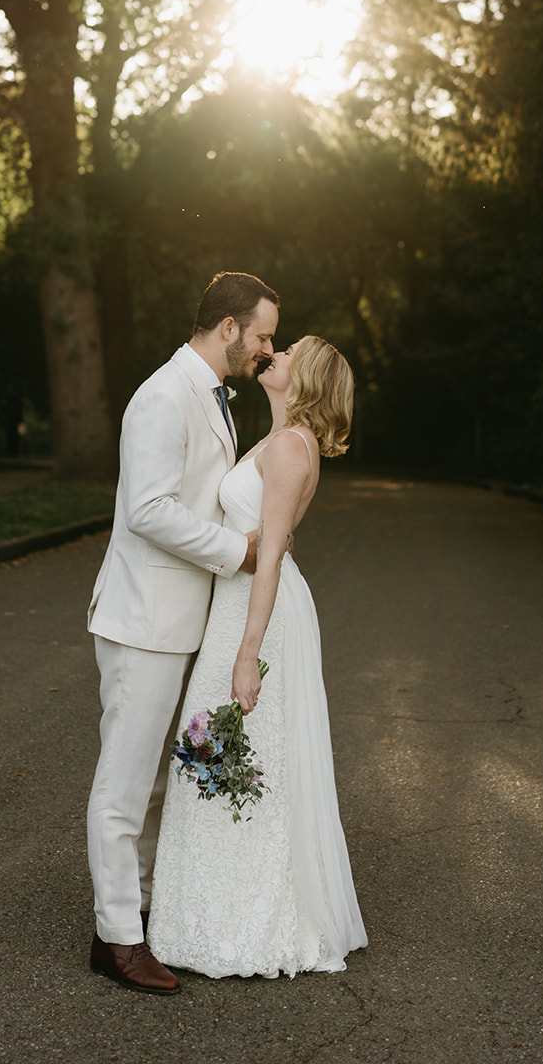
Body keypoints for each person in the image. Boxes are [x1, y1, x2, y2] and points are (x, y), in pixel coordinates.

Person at [147, 335, 367, 979]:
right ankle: (202, 910)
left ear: (308, 378)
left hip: (258, 620)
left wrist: (247, 655)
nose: (279, 351)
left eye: (291, 350)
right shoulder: (274, 441)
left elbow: (269, 556)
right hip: (236, 611)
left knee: (233, 756)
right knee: (211, 756)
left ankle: (247, 921)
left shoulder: (293, 449)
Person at [86, 270, 280, 994]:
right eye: (261, 335)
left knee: (165, 782)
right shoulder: (163, 395)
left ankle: (135, 911)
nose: (267, 349)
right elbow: (148, 509)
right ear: (227, 326)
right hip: (143, 621)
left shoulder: (211, 396)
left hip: (185, 620)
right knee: (124, 786)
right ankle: (115, 942)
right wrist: (241, 552)